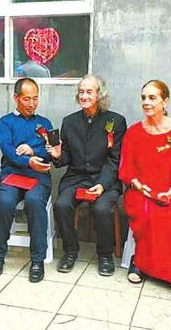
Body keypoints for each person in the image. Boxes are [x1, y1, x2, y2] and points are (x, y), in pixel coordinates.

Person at [118, 80, 171, 288]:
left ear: (165, 101)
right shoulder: (134, 132)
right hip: (141, 189)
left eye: (152, 98)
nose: (146, 102)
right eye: (144, 98)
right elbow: (126, 169)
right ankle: (140, 263)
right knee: (146, 212)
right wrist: (140, 186)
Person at [48, 74, 126, 276]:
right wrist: (58, 155)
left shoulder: (116, 121)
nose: (84, 96)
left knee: (102, 209)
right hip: (76, 178)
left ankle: (105, 255)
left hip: (105, 179)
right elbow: (66, 157)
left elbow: (115, 159)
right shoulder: (69, 122)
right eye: (81, 92)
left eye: (89, 92)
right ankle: (70, 251)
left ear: (100, 94)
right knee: (62, 205)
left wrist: (102, 184)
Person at [0, 78, 52, 283]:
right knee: (4, 202)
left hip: (38, 175)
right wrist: (28, 161)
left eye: (35, 98)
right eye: (27, 99)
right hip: (12, 173)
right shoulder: (5, 122)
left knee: (34, 201)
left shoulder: (45, 123)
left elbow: (52, 151)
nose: (32, 104)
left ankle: (37, 260)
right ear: (16, 98)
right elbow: (8, 150)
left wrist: (34, 151)